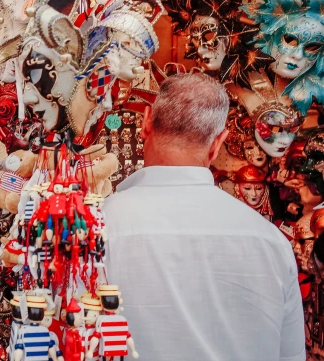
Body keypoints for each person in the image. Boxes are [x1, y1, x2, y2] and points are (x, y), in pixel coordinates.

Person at [104, 73, 304, 361]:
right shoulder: (270, 241)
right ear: (218, 143)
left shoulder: (99, 225)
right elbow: (291, 355)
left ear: (146, 123)